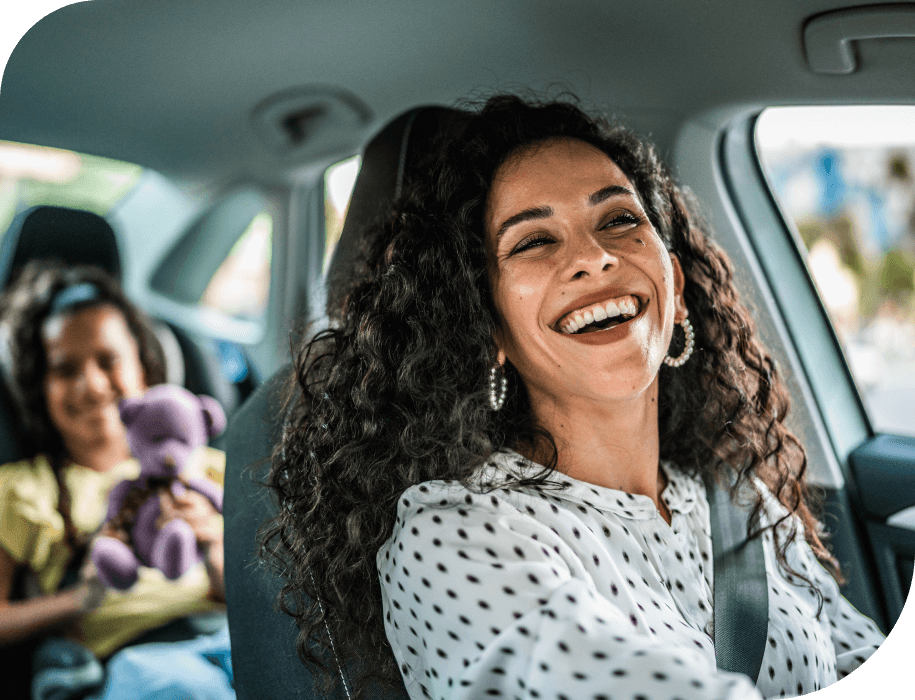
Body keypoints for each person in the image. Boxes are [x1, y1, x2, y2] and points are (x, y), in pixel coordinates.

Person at [262, 95, 885, 700]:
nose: (594, 257)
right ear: (486, 326)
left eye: (618, 220)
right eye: (534, 241)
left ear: (675, 281)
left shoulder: (740, 497)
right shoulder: (453, 535)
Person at [0, 261, 230, 699]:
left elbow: (270, 598)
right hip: (135, 663)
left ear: (143, 366)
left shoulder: (208, 468)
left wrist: (215, 547)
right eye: (65, 370)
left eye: (109, 361)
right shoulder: (24, 490)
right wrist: (77, 601)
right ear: (37, 387)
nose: (90, 385)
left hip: (230, 637)